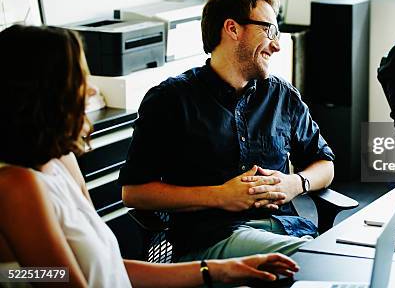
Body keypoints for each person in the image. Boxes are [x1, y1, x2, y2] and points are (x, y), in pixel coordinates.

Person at [0, 25, 299, 287]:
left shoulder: (62, 162)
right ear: (43, 97)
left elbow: (108, 268)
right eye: (78, 77)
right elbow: (59, 278)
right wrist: (17, 276)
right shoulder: (17, 186)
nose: (90, 88)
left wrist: (222, 270)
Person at [119, 0, 335, 262]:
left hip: (285, 230)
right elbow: (134, 193)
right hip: (211, 241)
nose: (277, 44)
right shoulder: (171, 100)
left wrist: (296, 182)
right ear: (232, 29)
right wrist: (220, 196)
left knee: (327, 255)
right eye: (269, 30)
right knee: (316, 259)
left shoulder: (281, 95)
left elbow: (324, 164)